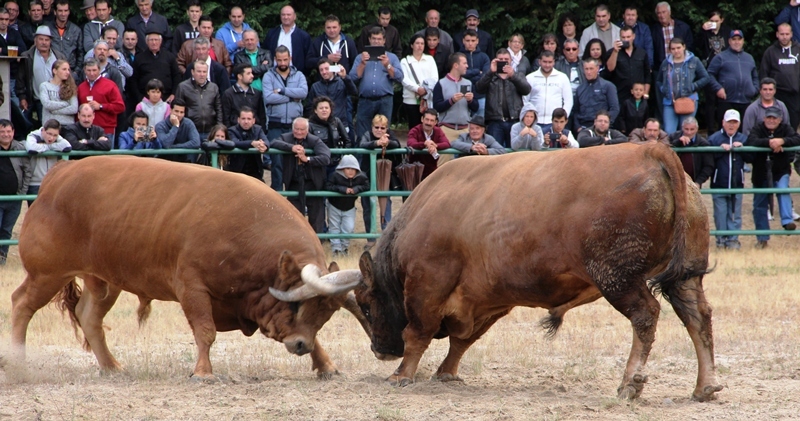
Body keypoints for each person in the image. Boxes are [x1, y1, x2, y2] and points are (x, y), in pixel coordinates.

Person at [746, 106, 800, 248]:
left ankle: (787, 221)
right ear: (764, 118)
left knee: (783, 190)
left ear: (780, 119)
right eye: (768, 117)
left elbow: (796, 138)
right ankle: (762, 238)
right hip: (760, 173)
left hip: (780, 171)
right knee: (759, 206)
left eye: (774, 118)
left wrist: (782, 141)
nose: (771, 120)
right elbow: (751, 141)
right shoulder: (758, 128)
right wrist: (770, 143)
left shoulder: (786, 128)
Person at [270, 117, 331, 233]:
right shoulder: (286, 137)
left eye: (302, 129)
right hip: (294, 183)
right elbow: (273, 143)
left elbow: (326, 157)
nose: (299, 132)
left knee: (316, 217)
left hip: (313, 183)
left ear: (307, 130)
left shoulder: (315, 140)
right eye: (296, 129)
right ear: (292, 129)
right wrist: (291, 148)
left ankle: (317, 244)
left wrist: (307, 159)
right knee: (294, 217)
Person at [263, 45, 308, 190]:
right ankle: (276, 194)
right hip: (275, 124)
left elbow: (303, 93)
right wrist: (291, 97)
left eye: (285, 60)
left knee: (294, 162)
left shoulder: (299, 75)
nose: (282, 63)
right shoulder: (268, 76)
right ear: (275, 59)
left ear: (290, 59)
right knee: (276, 162)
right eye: (279, 60)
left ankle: (293, 195)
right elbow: (268, 97)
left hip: (294, 126)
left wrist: (282, 91)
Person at [349, 26, 403, 139]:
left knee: (384, 132)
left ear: (384, 40)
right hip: (365, 100)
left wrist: (388, 65)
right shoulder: (360, 57)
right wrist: (362, 64)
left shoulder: (391, 57)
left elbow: (399, 77)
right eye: (373, 38)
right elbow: (352, 78)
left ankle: (383, 156)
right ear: (369, 39)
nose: (376, 41)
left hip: (384, 100)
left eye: (379, 39)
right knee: (362, 133)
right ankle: (362, 157)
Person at [476, 48, 531, 147]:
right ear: (495, 60)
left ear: (510, 61)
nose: (503, 62)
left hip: (514, 120)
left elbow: (526, 90)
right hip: (495, 121)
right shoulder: (490, 76)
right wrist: (490, 72)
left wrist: (513, 76)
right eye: (500, 59)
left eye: (506, 59)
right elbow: (479, 89)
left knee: (514, 153)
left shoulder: (517, 75)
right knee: (495, 153)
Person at [707, 109, 746, 250]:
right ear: (723, 123)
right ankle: (721, 240)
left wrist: (743, 148)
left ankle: (733, 241)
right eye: (729, 122)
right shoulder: (714, 139)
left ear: (739, 124)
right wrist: (718, 149)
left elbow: (751, 158)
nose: (731, 125)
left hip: (737, 184)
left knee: (735, 214)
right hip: (719, 183)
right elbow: (708, 160)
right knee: (720, 214)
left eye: (734, 122)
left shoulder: (743, 139)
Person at [707, 30, 759, 130]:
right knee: (725, 131)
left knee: (744, 131)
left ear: (743, 41)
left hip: (745, 102)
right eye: (734, 39)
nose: (736, 42)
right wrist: (718, 88)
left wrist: (754, 90)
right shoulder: (720, 57)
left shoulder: (749, 58)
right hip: (727, 101)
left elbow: (755, 77)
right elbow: (709, 74)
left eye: (739, 39)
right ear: (729, 41)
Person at [358, 114, 402, 232]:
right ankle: (370, 236)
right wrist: (377, 144)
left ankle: (385, 233)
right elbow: (362, 144)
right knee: (367, 207)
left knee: (386, 204)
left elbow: (397, 144)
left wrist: (387, 142)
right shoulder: (367, 134)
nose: (379, 130)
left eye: (382, 128)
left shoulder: (389, 135)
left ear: (386, 129)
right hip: (367, 176)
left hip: (384, 177)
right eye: (376, 127)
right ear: (372, 127)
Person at [656, 38, 709, 133]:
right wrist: (663, 89)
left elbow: (705, 78)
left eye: (678, 48)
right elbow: (658, 80)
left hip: (688, 100)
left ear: (684, 47)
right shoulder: (666, 62)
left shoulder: (694, 60)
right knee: (669, 132)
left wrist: (693, 87)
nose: (676, 51)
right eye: (673, 49)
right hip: (669, 102)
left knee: (686, 131)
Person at [17, 25, 65, 126]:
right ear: (35, 40)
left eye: (46, 40)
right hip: (33, 98)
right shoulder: (27, 56)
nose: (44, 42)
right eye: (41, 39)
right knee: (25, 124)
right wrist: (22, 97)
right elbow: (20, 78)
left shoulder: (59, 56)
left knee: (48, 126)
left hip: (52, 99)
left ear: (50, 41)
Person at [0, 119, 31, 264]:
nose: (6, 135)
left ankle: (2, 259)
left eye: (8, 131)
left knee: (6, 230)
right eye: (2, 132)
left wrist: (22, 193)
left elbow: (27, 171)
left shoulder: (20, 148)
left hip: (14, 199)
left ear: (13, 132)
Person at [325, 154, 369, 256]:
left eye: (353, 168)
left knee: (349, 228)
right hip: (334, 205)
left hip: (350, 207)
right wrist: (343, 190)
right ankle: (336, 249)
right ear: (342, 168)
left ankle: (344, 247)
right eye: (348, 168)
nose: (350, 171)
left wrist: (356, 189)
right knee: (334, 227)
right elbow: (328, 186)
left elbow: (367, 185)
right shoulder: (335, 175)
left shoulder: (361, 177)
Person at [760, 23, 800, 131]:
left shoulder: (798, 49)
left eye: (787, 34)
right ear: (777, 34)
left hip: (795, 95)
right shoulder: (770, 52)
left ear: (791, 34)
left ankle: (793, 146)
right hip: (777, 95)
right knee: (776, 122)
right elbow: (764, 73)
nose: (784, 36)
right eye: (782, 34)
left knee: (794, 124)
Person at [432, 53, 478, 143]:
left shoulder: (468, 83)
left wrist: (470, 101)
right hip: (446, 129)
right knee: (444, 157)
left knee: (466, 157)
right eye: (464, 63)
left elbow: (475, 107)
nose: (467, 66)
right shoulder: (441, 83)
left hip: (465, 129)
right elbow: (437, 107)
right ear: (456, 65)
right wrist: (451, 101)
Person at [77, 58, 124, 143]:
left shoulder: (110, 85)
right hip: (85, 131)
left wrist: (101, 106)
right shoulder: (81, 87)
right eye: (89, 70)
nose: (91, 73)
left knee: (106, 156)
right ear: (84, 71)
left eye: (94, 70)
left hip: (105, 130)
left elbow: (120, 107)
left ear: (99, 69)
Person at [24, 118, 71, 204]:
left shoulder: (56, 137)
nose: (51, 138)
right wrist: (52, 147)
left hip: (53, 182)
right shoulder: (33, 136)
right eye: (49, 134)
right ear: (43, 130)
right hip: (35, 183)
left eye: (55, 135)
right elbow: (32, 148)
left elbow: (67, 146)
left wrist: (46, 147)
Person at [524, 50, 572, 132]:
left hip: (554, 123)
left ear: (554, 62)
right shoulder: (530, 78)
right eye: (544, 62)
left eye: (550, 62)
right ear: (539, 61)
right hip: (535, 122)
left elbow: (568, 101)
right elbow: (525, 100)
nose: (547, 65)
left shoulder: (562, 77)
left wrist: (562, 119)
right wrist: (529, 118)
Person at [173, 60, 222, 139]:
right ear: (192, 72)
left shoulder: (213, 87)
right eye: (199, 71)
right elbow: (177, 109)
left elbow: (218, 109)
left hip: (210, 131)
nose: (202, 75)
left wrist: (218, 128)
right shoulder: (183, 87)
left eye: (204, 72)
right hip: (190, 131)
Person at [132, 31, 181, 105]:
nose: (154, 42)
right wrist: (140, 97)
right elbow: (133, 79)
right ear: (147, 42)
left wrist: (173, 94)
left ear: (160, 41)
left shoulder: (169, 56)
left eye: (156, 40)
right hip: (145, 100)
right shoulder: (139, 58)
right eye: (151, 40)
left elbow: (176, 76)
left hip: (166, 99)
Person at [309, 58, 357, 135]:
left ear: (332, 69)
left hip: (340, 124)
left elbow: (354, 92)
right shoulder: (315, 86)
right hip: (320, 126)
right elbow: (310, 107)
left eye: (326, 69)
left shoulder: (342, 82)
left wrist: (345, 77)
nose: (324, 72)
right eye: (321, 70)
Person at [606, 26, 651, 107]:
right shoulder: (612, 52)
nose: (626, 39)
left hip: (638, 95)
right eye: (623, 37)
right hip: (620, 95)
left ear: (633, 36)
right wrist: (615, 51)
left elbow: (647, 74)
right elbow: (610, 68)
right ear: (620, 37)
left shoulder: (642, 53)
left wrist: (646, 93)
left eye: (628, 37)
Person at [400, 34, 439, 129]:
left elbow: (435, 78)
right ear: (412, 45)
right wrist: (417, 89)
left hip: (427, 99)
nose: (420, 46)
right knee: (414, 127)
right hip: (411, 100)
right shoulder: (405, 61)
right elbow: (404, 79)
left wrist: (425, 90)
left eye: (422, 43)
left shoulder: (430, 59)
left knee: (428, 127)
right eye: (417, 43)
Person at [308, 96, 351, 175]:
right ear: (315, 111)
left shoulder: (336, 121)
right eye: (321, 108)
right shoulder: (310, 125)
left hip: (336, 163)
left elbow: (347, 141)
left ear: (330, 109)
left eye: (326, 108)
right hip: (319, 164)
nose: (324, 110)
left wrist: (343, 158)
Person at [573, 58, 619, 131]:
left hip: (602, 127)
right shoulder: (580, 89)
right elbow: (575, 111)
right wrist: (578, 127)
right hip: (584, 127)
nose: (588, 72)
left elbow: (615, 108)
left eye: (591, 69)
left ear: (597, 68)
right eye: (586, 69)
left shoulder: (608, 86)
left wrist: (605, 123)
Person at [263, 5, 311, 73]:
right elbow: (265, 52)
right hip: (274, 74)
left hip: (296, 75)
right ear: (280, 16)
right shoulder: (272, 33)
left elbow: (308, 58)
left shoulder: (303, 36)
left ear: (294, 16)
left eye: (288, 15)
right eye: (283, 15)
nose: (285, 17)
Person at [406, 109, 450, 180]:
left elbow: (446, 143)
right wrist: (424, 144)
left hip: (431, 170)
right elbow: (410, 143)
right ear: (422, 119)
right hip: (415, 170)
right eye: (427, 119)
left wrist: (435, 145)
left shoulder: (438, 131)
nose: (428, 123)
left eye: (432, 120)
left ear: (436, 122)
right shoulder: (415, 130)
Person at [669, 117, 714, 187]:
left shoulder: (703, 144)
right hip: (674, 182)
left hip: (694, 183)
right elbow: (666, 152)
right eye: (686, 129)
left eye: (692, 129)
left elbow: (708, 166)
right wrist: (678, 142)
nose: (689, 132)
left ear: (697, 129)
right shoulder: (673, 137)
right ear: (682, 127)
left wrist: (698, 182)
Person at [228, 106, 269, 181]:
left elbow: (266, 141)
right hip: (237, 171)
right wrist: (252, 143)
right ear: (238, 120)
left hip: (255, 171)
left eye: (249, 119)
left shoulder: (258, 129)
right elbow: (235, 142)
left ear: (253, 120)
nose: (246, 121)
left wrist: (264, 146)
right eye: (243, 119)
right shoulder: (231, 130)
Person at [652, 2, 694, 70]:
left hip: (682, 66)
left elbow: (690, 46)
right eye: (659, 13)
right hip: (662, 67)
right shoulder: (654, 30)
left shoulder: (683, 27)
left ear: (669, 12)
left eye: (664, 12)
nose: (661, 15)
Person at [45, 0, 82, 77]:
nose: (63, 14)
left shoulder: (76, 30)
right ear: (55, 12)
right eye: (60, 11)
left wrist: (76, 72)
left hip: (70, 72)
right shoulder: (47, 29)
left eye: (65, 11)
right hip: (52, 71)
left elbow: (80, 53)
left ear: (69, 12)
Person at [221, 63, 265, 128]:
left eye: (251, 73)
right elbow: (225, 118)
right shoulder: (228, 94)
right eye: (248, 73)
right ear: (240, 76)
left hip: (254, 134)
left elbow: (262, 116)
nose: (252, 76)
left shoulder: (257, 93)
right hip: (234, 133)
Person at [459, 29, 490, 117]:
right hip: (462, 94)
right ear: (463, 41)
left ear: (477, 41)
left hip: (480, 95)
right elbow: (459, 74)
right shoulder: (458, 56)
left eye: (473, 41)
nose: (470, 43)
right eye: (468, 40)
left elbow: (485, 76)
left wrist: (468, 75)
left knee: (478, 124)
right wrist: (476, 71)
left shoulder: (484, 57)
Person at [39, 59, 77, 126]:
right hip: (50, 125)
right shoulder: (45, 86)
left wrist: (55, 111)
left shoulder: (71, 86)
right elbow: (47, 104)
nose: (67, 72)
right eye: (64, 69)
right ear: (55, 71)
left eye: (68, 69)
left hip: (68, 125)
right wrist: (65, 104)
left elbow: (74, 108)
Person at [233, 29, 271, 93]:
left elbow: (269, 69)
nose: (250, 42)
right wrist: (261, 67)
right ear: (243, 41)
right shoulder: (238, 56)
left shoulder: (266, 53)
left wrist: (248, 72)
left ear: (257, 40)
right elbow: (240, 74)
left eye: (252, 39)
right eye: (247, 40)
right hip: (247, 92)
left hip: (265, 91)